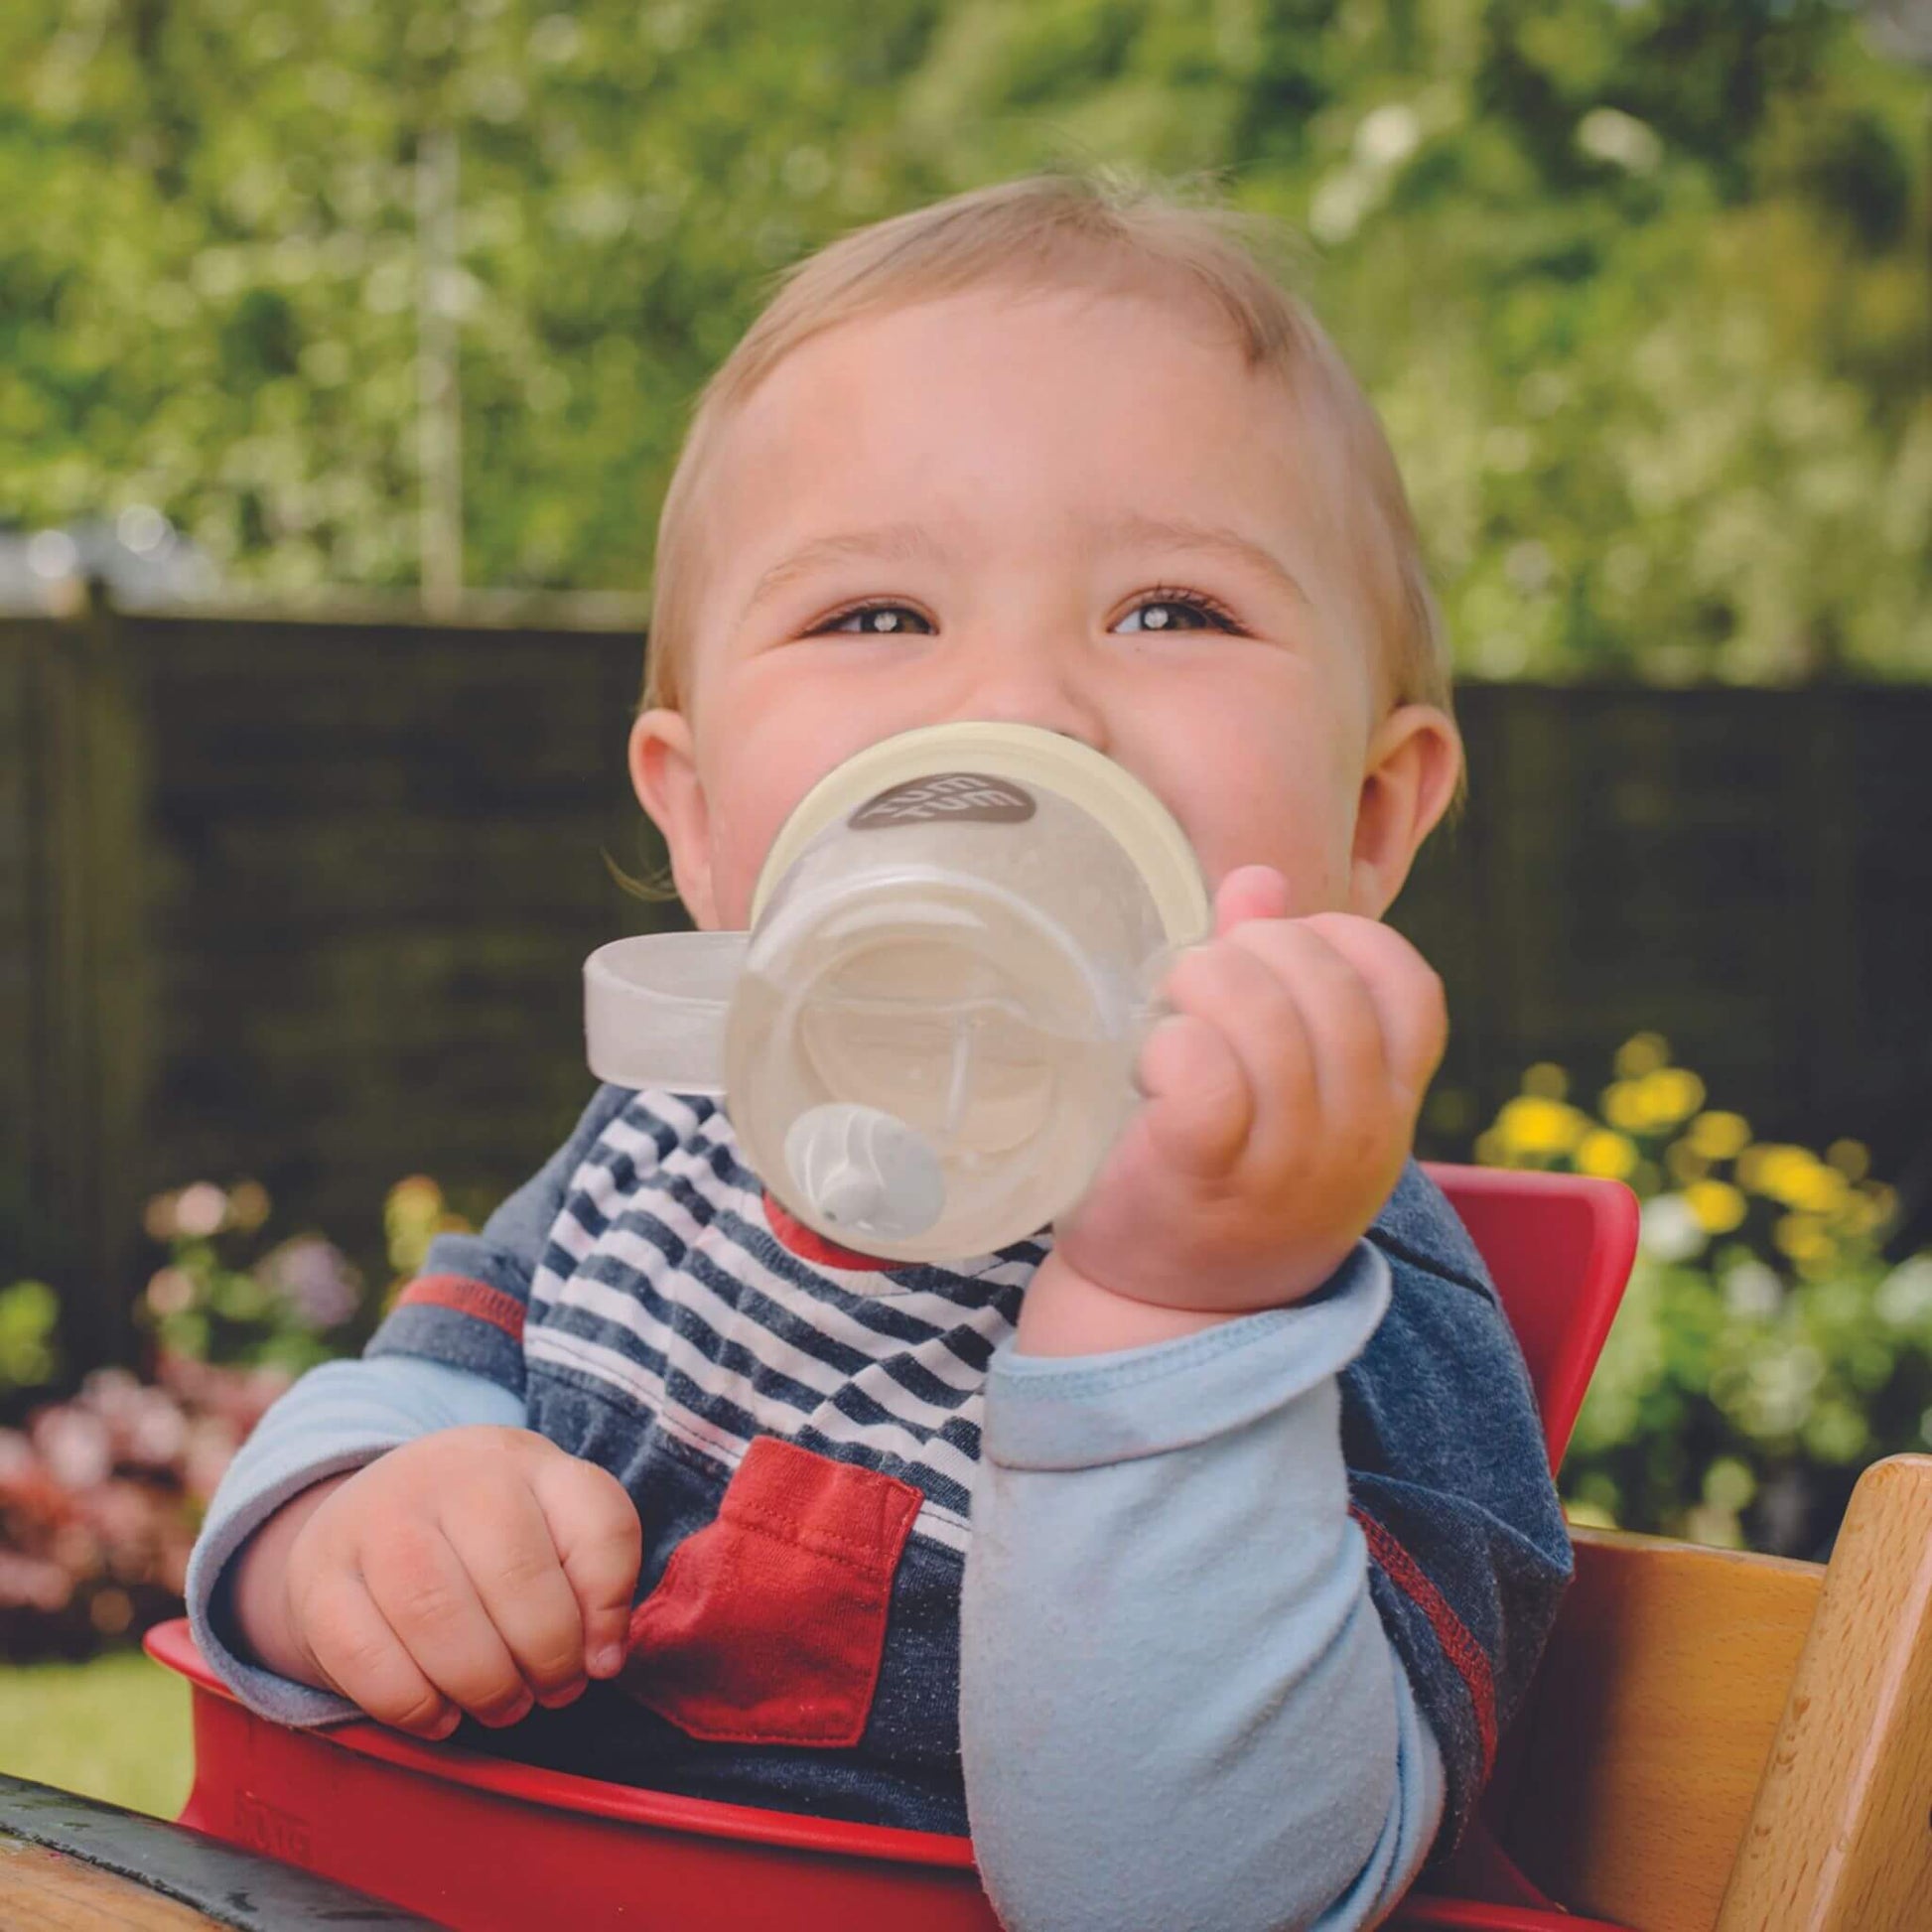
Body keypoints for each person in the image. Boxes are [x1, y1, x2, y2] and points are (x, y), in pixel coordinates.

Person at [185, 172, 1569, 1932]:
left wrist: (1174, 1311)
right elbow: (400, 1400)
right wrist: (359, 1528)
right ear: (696, 825)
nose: (1012, 709)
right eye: (875, 617)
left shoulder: (1346, 1304)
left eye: (1167, 610)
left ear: (1372, 816)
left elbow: (1193, 1897)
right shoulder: (663, 1143)